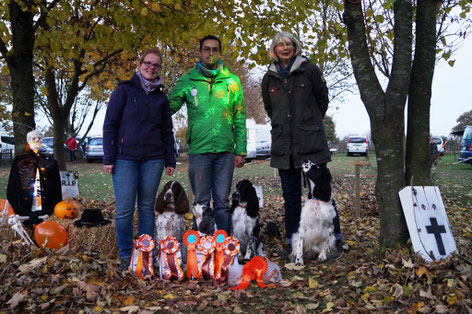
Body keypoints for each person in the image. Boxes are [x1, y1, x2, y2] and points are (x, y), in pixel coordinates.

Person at [261, 32, 343, 258]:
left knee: (322, 194)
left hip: (311, 144)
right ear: (274, 49)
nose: (284, 48)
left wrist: (307, 124)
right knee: (290, 196)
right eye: (280, 45)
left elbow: (322, 102)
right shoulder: (269, 78)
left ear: (295, 46)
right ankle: (293, 242)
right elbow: (271, 110)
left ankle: (333, 241)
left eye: (288, 44)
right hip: (283, 147)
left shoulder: (310, 69)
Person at [103, 48, 176, 270]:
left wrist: (170, 159)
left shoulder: (161, 98)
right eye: (147, 62)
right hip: (125, 159)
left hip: (153, 159)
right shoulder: (124, 91)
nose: (151, 67)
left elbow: (166, 130)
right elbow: (110, 125)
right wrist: (109, 157)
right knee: (125, 209)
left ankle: (145, 252)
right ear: (140, 64)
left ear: (159, 69)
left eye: (156, 65)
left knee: (146, 207)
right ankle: (126, 254)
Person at [168, 35, 247, 233]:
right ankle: (201, 253)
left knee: (221, 201)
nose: (210, 53)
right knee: (201, 201)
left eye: (214, 49)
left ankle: (224, 250)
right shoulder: (188, 80)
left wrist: (241, 150)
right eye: (206, 49)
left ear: (219, 52)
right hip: (199, 151)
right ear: (200, 52)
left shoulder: (232, 82)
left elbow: (239, 116)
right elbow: (168, 107)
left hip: (225, 150)